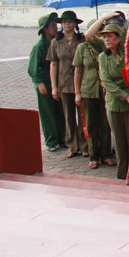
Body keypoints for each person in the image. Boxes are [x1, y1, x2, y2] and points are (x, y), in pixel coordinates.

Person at [98, 23, 129, 181]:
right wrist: (126, 96)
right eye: (104, 37)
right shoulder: (103, 57)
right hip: (115, 104)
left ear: (119, 38)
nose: (107, 40)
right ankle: (122, 176)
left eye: (110, 36)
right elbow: (107, 82)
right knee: (119, 143)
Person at [73, 19, 114, 169]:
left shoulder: (105, 47)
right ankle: (93, 155)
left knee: (105, 123)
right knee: (91, 124)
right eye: (98, 29)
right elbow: (78, 71)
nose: (100, 33)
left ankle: (106, 154)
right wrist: (77, 93)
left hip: (104, 91)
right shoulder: (82, 48)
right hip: (88, 90)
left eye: (103, 31)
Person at [47, 10, 86, 159]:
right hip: (64, 83)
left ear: (75, 24)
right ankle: (72, 145)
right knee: (68, 116)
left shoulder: (81, 40)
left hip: (80, 83)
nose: (66, 24)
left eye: (69, 22)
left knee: (82, 115)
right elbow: (53, 65)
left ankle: (84, 145)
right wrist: (54, 87)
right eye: (64, 22)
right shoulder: (56, 42)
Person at [28, 12, 65, 152]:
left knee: (60, 110)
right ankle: (51, 140)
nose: (56, 27)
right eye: (53, 25)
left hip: (58, 81)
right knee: (47, 112)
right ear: (45, 29)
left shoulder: (56, 42)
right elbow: (33, 67)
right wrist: (39, 82)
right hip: (45, 82)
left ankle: (63, 137)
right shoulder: (39, 47)